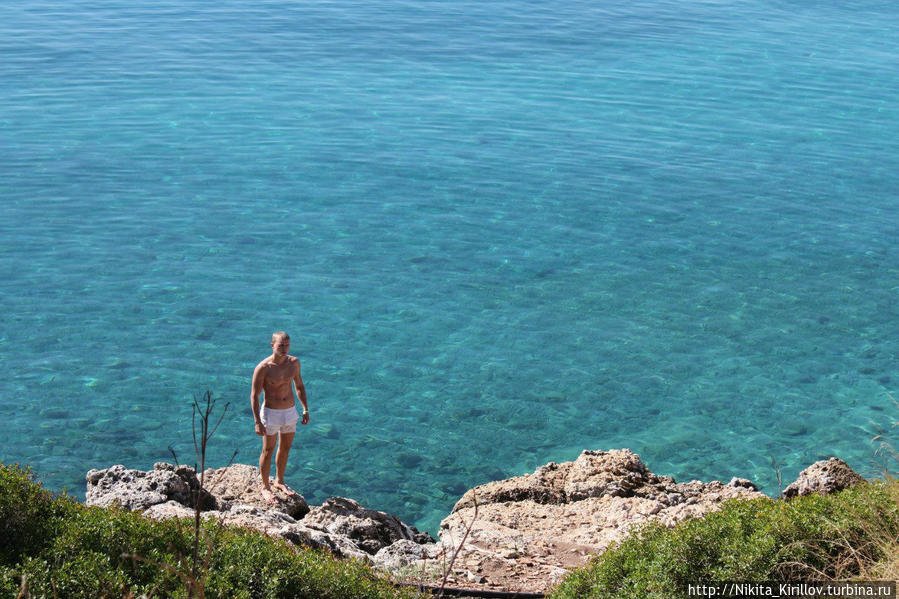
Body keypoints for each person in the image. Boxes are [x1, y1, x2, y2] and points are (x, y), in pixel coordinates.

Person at [251, 330, 309, 503]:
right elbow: (254, 395)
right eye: (280, 345)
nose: (284, 348)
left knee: (285, 448)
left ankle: (279, 480)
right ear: (272, 345)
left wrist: (305, 409)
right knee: (268, 450)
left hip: (290, 412)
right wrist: (257, 421)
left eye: (286, 345)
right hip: (271, 413)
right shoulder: (264, 368)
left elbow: (299, 386)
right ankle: (265, 487)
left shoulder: (294, 363)